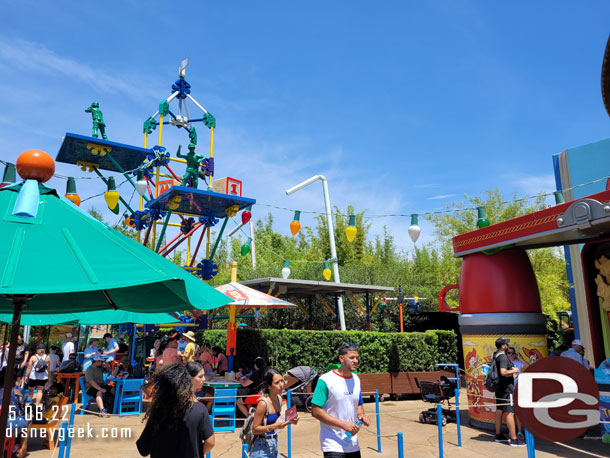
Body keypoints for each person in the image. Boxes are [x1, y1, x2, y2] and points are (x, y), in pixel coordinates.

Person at [137, 364, 215, 458]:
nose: (203, 379)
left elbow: (143, 448)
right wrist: (199, 453)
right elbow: (210, 442)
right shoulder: (200, 409)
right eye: (200, 376)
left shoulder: (159, 410)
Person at [311, 343, 371, 458]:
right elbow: (315, 411)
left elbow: (358, 405)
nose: (355, 361)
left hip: (353, 443)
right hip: (332, 443)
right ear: (341, 358)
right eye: (352, 358)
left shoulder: (356, 379)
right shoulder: (325, 380)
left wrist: (363, 417)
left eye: (357, 358)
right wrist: (343, 425)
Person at [250, 368, 298, 458]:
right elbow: (254, 429)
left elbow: (279, 423)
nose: (281, 385)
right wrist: (274, 426)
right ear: (269, 386)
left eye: (282, 381)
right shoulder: (263, 403)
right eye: (277, 383)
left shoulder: (279, 399)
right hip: (261, 447)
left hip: (274, 443)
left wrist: (290, 421)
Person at [492, 338, 524, 447]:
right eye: (506, 343)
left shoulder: (495, 355)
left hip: (499, 389)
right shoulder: (503, 357)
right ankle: (514, 439)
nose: (507, 344)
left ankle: (498, 435)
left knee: (500, 410)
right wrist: (514, 370)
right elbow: (503, 372)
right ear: (503, 346)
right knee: (510, 412)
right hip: (507, 389)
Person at [0, 371, 29, 457]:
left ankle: (13, 445)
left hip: (3, 423)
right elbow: (23, 404)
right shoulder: (18, 390)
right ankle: (23, 447)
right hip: (11, 424)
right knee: (29, 418)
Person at [507, 347, 526, 441]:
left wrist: (520, 358)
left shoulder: (518, 363)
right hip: (509, 391)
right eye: (509, 353)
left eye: (513, 353)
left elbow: (528, 366)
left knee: (518, 411)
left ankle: (519, 431)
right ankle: (512, 432)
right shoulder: (505, 364)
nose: (511, 354)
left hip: (518, 390)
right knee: (509, 412)